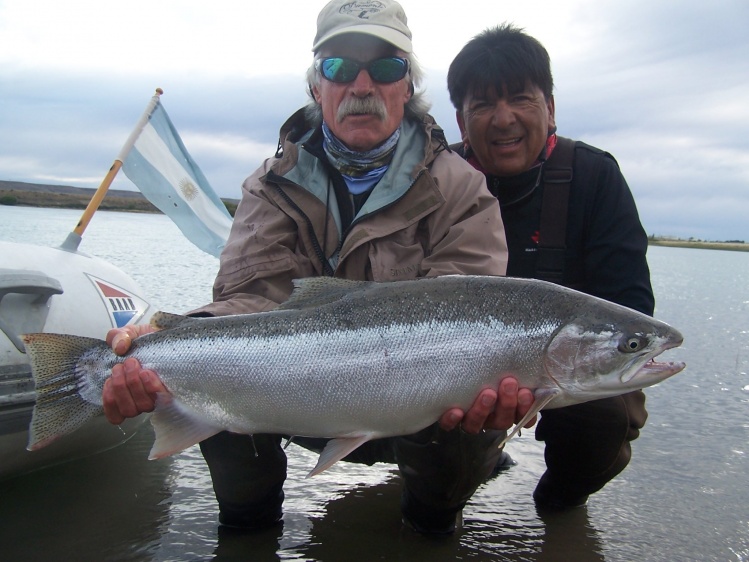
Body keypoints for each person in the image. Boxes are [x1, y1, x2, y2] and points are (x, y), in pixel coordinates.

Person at [101, 0, 535, 536]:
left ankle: (431, 527)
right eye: (337, 67)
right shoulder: (269, 186)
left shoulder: (462, 190)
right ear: (316, 87)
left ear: (407, 87)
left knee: (480, 405)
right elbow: (249, 301)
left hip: (422, 413)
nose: (361, 85)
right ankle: (248, 533)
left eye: (384, 68)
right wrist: (166, 344)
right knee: (223, 378)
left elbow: (472, 311)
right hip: (295, 398)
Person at [445, 23, 654, 510]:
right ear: (460, 120)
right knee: (438, 457)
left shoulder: (594, 176)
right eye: (482, 106)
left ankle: (559, 505)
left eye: (521, 99)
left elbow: (631, 302)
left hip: (572, 366)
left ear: (550, 107)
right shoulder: (436, 179)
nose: (503, 120)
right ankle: (440, 503)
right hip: (454, 367)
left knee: (605, 420)